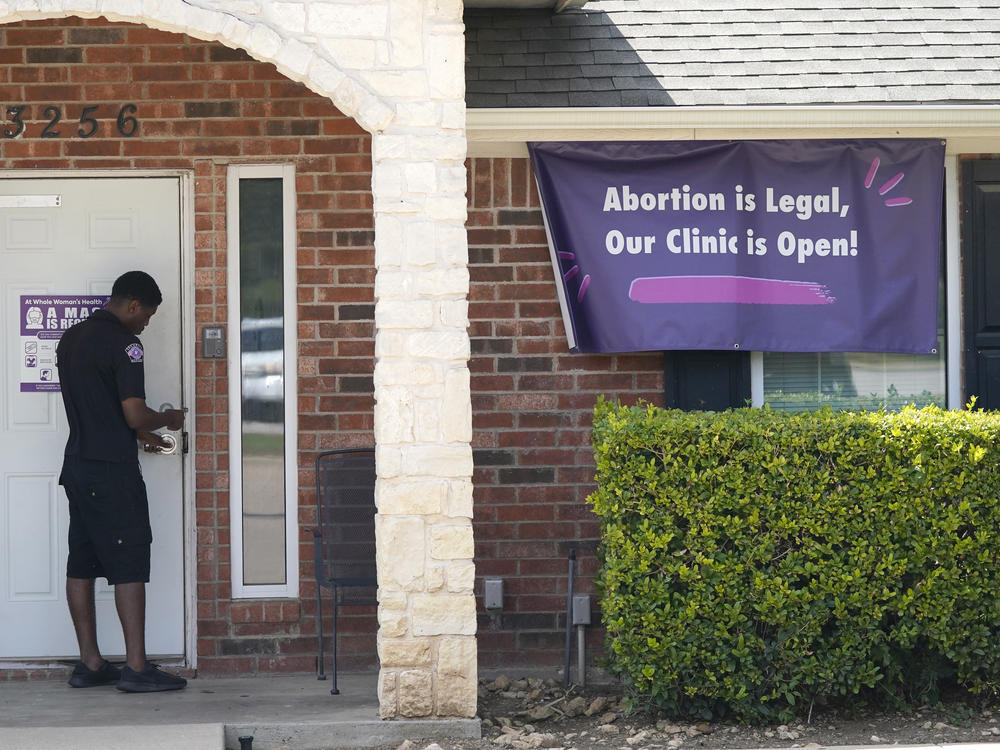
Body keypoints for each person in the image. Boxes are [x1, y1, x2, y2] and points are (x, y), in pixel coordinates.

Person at [56, 270, 188, 693]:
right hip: (112, 472)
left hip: (78, 466)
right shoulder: (126, 344)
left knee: (82, 562)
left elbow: (97, 405)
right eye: (146, 316)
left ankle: (91, 664)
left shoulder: (72, 337)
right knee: (129, 560)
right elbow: (132, 411)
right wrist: (167, 419)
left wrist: (139, 435)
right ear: (133, 306)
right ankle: (135, 669)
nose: (145, 324)